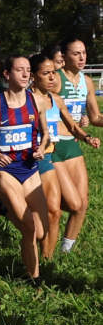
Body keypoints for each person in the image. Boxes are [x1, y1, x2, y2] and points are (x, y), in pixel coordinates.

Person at [0, 54, 50, 285]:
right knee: (29, 227)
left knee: (40, 233)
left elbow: (45, 134)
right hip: (5, 171)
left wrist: (42, 148)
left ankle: (1, 207)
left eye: (28, 70)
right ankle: (34, 279)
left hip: (30, 168)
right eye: (20, 70)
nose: (27, 74)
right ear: (7, 75)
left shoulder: (36, 101)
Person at [28, 52, 98, 259]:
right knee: (57, 210)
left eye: (53, 73)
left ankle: (48, 259)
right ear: (34, 76)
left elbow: (72, 125)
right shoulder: (25, 101)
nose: (52, 78)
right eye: (47, 73)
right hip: (35, 159)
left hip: (50, 155)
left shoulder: (55, 99)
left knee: (65, 208)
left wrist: (87, 138)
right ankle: (45, 259)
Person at [55, 37, 99, 253]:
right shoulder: (55, 79)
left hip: (73, 144)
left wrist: (86, 126)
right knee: (68, 204)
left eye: (84, 53)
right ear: (64, 56)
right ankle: (13, 205)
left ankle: (65, 252)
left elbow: (95, 116)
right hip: (53, 145)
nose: (82, 57)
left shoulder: (87, 81)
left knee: (81, 204)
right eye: (76, 53)